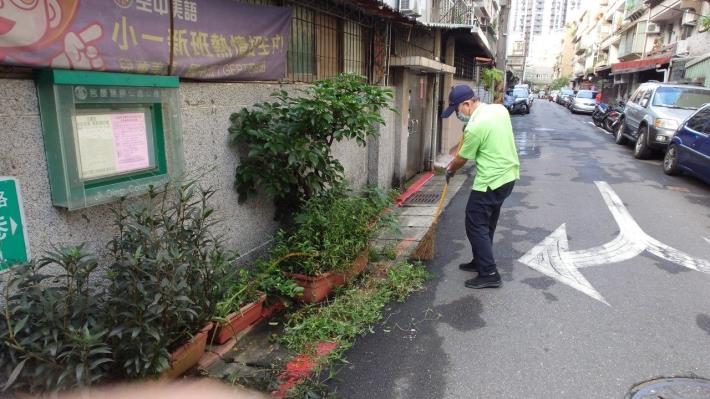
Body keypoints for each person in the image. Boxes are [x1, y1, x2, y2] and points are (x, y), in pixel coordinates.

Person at [441, 85, 520, 289]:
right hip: (508, 176)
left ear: (467, 104)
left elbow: (461, 159)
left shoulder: (476, 127)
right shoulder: (498, 109)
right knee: (486, 223)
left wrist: (450, 169)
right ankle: (480, 261)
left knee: (475, 223)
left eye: (458, 110)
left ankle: (490, 273)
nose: (457, 114)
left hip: (490, 181)